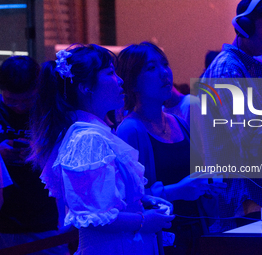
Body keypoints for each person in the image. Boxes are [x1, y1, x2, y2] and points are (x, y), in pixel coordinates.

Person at [29, 44, 174, 255]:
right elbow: (93, 217)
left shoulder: (95, 132)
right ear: (86, 87)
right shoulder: (87, 138)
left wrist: (142, 202)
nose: (120, 80)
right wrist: (144, 220)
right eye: (110, 73)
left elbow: (103, 200)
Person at [116, 42, 216, 255]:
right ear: (132, 83)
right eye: (151, 68)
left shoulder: (178, 122)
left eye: (165, 64)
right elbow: (128, 200)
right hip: (161, 238)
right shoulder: (130, 130)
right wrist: (177, 190)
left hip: (197, 231)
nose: (164, 73)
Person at [200, 0, 262, 232]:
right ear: (244, 25)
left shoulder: (249, 66)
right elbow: (252, 141)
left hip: (260, 194)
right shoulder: (228, 69)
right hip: (244, 197)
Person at [0, 56, 68, 254]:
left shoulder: (50, 111)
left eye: (27, 100)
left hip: (46, 221)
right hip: (3, 222)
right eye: (11, 100)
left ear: (38, 90)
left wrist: (40, 152)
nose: (20, 107)